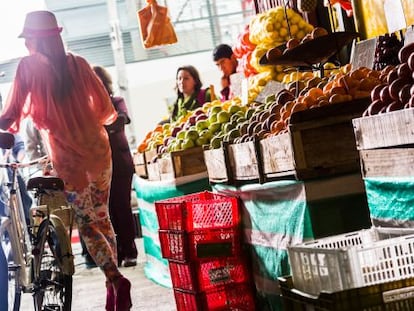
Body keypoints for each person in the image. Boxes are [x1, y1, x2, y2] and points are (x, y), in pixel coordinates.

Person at [0, 10, 132, 311]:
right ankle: (112, 288)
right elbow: (104, 110)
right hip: (99, 151)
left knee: (86, 224)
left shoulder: (28, 68)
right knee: (101, 218)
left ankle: (116, 278)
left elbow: (10, 116)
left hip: (69, 161)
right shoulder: (78, 64)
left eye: (27, 39)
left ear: (34, 40)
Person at [91, 65, 138, 268]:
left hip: (120, 162)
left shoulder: (116, 101)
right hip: (99, 165)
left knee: (122, 207)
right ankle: (116, 253)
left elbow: (122, 119)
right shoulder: (88, 109)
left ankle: (130, 252)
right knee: (107, 210)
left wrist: (101, 127)